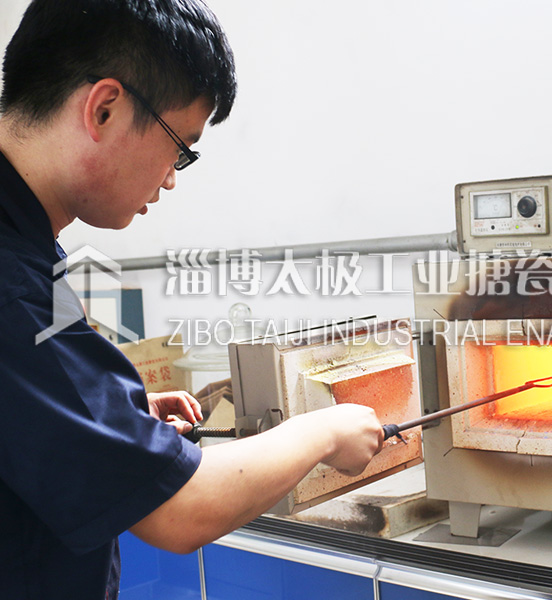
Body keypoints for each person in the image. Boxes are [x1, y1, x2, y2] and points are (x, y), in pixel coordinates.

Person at [0, 1, 384, 598]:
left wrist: (112, 418)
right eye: (180, 146)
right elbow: (180, 511)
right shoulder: (14, 282)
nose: (172, 177)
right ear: (104, 108)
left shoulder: (26, 242)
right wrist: (324, 432)